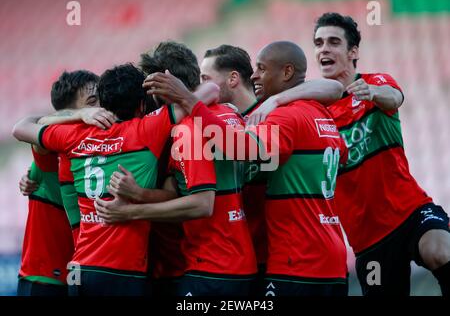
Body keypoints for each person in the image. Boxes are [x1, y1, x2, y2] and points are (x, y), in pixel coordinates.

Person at [248, 13, 450, 296]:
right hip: (367, 238)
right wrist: (275, 100)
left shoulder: (375, 83)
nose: (324, 49)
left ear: (353, 52)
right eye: (318, 43)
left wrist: (374, 93)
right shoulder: (314, 106)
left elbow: (395, 98)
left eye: (333, 42)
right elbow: (326, 89)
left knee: (439, 251)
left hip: (409, 211)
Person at [144, 41, 349, 296]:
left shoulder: (279, 118)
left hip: (293, 259)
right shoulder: (318, 113)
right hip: (325, 257)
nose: (254, 75)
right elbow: (341, 149)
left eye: (261, 69)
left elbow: (239, 147)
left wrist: (188, 100)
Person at [12, 63, 217, 295]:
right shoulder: (146, 130)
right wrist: (179, 89)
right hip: (123, 271)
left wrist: (79, 116)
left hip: (81, 270)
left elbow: (20, 128)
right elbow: (210, 91)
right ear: (141, 105)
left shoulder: (73, 136)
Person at [96, 41, 257, 296]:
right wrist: (139, 193)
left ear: (163, 83)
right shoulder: (226, 112)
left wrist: (131, 212)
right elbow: (178, 188)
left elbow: (202, 204)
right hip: (234, 259)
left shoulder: (187, 130)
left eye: (150, 88)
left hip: (214, 265)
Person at [199, 44, 345, 291]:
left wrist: (191, 105)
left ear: (233, 79)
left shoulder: (273, 115)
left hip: (286, 258)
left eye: (205, 79)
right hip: (276, 255)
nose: (198, 88)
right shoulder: (307, 111)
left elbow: (336, 87)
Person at [16, 70, 99, 296]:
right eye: (92, 102)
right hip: (42, 278)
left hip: (76, 274)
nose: (100, 107)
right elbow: (25, 128)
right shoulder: (51, 148)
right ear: (69, 113)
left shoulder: (96, 147)